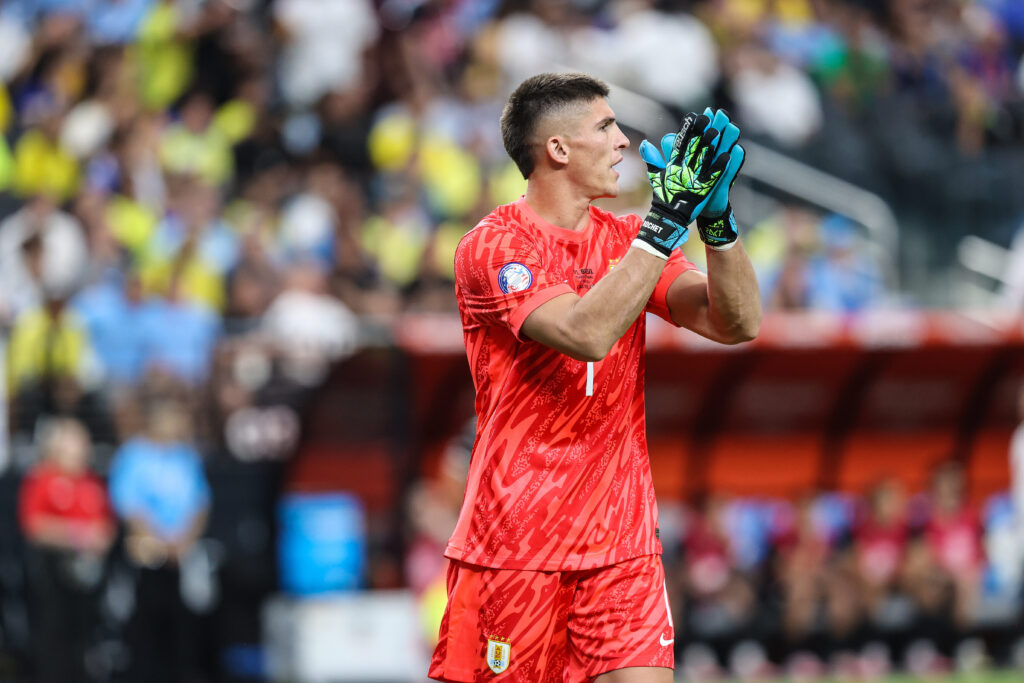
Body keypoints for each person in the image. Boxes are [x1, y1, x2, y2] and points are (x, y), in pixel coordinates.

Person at [428, 72, 761, 683]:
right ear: (557, 149)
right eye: (605, 127)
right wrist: (663, 227)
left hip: (621, 539)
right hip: (517, 543)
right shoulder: (493, 247)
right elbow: (585, 333)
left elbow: (734, 322)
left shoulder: (630, 240)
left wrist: (716, 228)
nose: (623, 143)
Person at [18, 418, 115, 683]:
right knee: (54, 640)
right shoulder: (42, 478)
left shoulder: (91, 482)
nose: (84, 446)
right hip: (53, 573)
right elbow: (34, 525)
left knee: (85, 639)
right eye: (76, 440)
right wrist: (78, 536)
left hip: (89, 574)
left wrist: (100, 539)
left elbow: (106, 522)